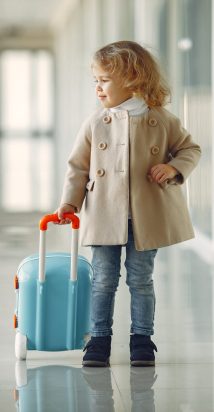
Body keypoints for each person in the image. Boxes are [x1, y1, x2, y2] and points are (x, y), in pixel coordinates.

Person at [55, 41, 201, 367]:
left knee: (140, 279)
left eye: (104, 79)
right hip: (105, 213)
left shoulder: (161, 120)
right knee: (103, 280)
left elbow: (190, 149)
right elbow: (78, 167)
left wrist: (173, 168)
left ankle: (142, 340)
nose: (97, 87)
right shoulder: (96, 122)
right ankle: (99, 340)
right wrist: (69, 202)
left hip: (145, 215)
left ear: (133, 78)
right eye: (95, 79)